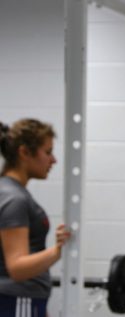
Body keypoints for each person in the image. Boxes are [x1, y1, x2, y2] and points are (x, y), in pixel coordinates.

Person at [0, 119, 71, 317]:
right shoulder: (14, 198)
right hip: (15, 301)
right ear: (24, 153)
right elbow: (17, 268)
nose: (53, 160)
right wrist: (58, 250)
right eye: (47, 152)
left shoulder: (11, 192)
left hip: (21, 302)